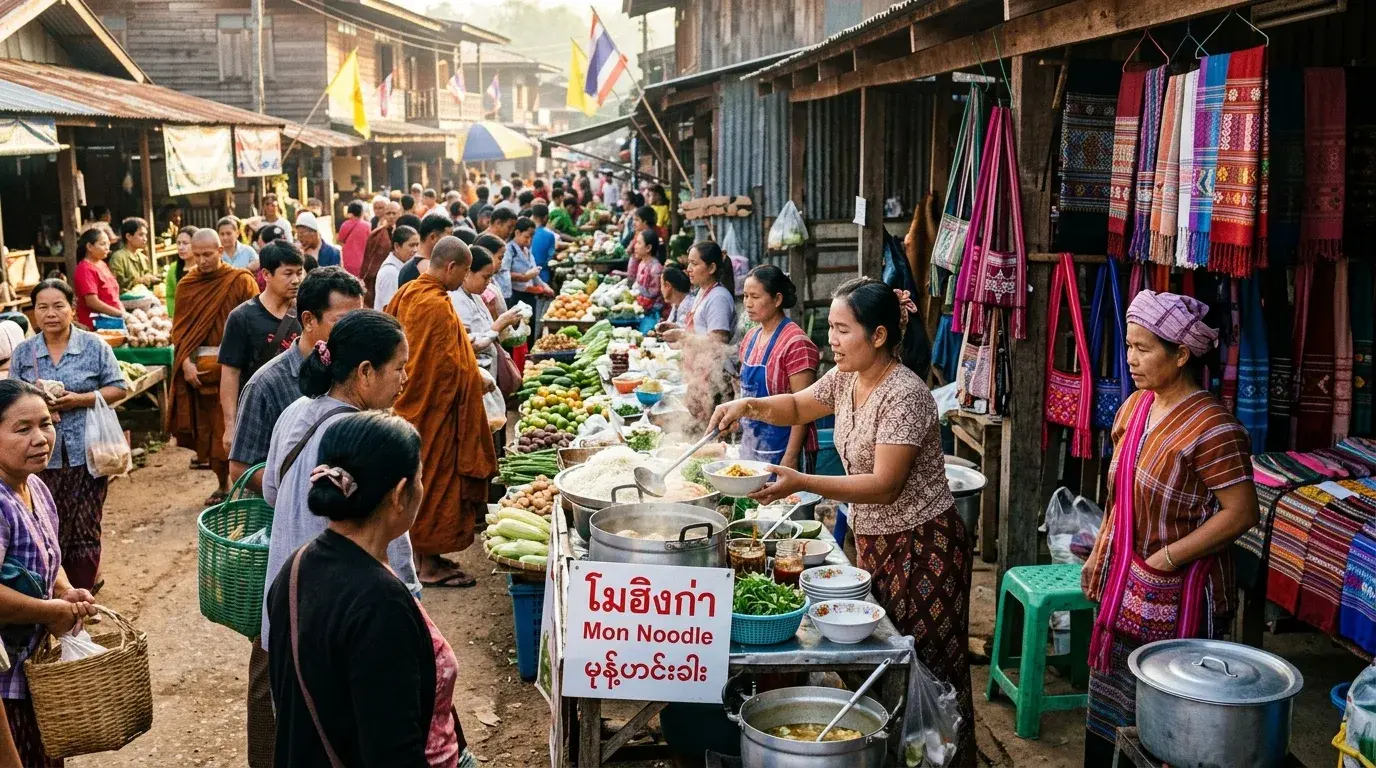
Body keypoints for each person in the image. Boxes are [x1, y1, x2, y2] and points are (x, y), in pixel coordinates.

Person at [708, 277, 971, 766]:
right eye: (829, 326)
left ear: (877, 336)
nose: (831, 339)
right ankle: (887, 755)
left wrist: (802, 481)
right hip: (874, 539)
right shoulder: (848, 377)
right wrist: (746, 404)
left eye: (842, 329)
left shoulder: (905, 395)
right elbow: (797, 405)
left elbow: (884, 484)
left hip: (922, 546)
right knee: (879, 666)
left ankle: (939, 758)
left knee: (926, 668)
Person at [1079, 291, 1259, 766]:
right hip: (1124, 587)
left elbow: (1241, 513)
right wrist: (1104, 554)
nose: (1131, 359)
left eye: (1144, 349)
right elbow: (1120, 497)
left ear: (1181, 354)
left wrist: (1168, 557)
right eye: (1129, 345)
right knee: (1114, 714)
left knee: (1174, 729)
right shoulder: (1136, 407)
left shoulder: (1214, 429)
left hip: (1181, 594)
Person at [253, 310, 418, 765]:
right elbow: (390, 530)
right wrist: (411, 600)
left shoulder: (295, 411)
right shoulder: (364, 437)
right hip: (345, 620)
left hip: (288, 603)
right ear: (365, 373)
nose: (404, 379)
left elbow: (270, 490)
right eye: (399, 367)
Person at [266, 411, 472, 768]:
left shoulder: (296, 567)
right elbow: (393, 752)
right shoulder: (381, 605)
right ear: (398, 495)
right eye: (419, 479)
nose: (422, 490)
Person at [0, 379, 101, 768]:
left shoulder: (37, 488)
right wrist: (51, 612)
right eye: (22, 429)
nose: (41, 438)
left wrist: (65, 590)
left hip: (33, 672)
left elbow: (48, 553)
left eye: (46, 423)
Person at [385, 236, 496, 588]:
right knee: (434, 484)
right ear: (451, 267)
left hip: (409, 404)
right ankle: (428, 565)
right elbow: (449, 368)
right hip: (435, 410)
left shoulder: (409, 292)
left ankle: (423, 556)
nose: (464, 280)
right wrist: (476, 380)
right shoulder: (434, 304)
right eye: (464, 272)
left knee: (422, 481)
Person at [10, 279, 127, 591]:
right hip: (38, 456)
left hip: (87, 452)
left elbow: (119, 386)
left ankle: (83, 593)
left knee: (86, 524)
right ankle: (53, 594)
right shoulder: (24, 352)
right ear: (33, 312)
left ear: (72, 309)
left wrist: (80, 399)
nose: (51, 313)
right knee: (46, 525)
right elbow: (9, 398)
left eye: (58, 305)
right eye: (42, 307)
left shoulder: (94, 346)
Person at [230, 267, 364, 494]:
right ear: (309, 320)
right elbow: (241, 468)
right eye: (342, 322)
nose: (354, 332)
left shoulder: (359, 371)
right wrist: (303, 496)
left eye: (358, 320)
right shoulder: (266, 384)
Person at [169, 230, 260, 504]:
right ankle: (222, 485)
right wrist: (185, 363)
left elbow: (254, 322)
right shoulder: (187, 284)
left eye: (208, 254)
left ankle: (247, 485)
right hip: (201, 370)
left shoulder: (240, 280)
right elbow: (180, 331)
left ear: (221, 250)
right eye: (197, 256)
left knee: (234, 427)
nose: (202, 261)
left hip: (236, 370)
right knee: (209, 430)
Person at [219, 241, 305, 461]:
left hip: (300, 414)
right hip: (257, 414)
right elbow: (230, 373)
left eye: (299, 272)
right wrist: (231, 425)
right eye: (287, 273)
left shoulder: (307, 313)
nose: (296, 280)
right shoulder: (242, 317)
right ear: (266, 274)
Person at [736, 266, 819, 470]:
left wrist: (789, 458)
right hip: (751, 444)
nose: (748, 303)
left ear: (777, 299)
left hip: (784, 450)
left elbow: (804, 409)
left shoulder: (796, 343)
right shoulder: (750, 338)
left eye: (755, 296)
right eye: (745, 296)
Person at [451, 245, 524, 379]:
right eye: (485, 277)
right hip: (475, 373)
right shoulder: (457, 299)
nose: (488, 282)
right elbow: (467, 345)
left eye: (490, 277)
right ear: (467, 273)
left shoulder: (475, 295)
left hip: (488, 369)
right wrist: (500, 324)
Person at [659, 241, 735, 345]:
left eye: (694, 264)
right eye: (689, 263)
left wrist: (681, 335)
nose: (688, 269)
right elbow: (700, 331)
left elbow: (718, 343)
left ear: (711, 268)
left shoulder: (719, 298)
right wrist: (676, 328)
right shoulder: (703, 291)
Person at [71, 227, 123, 330]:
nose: (107, 248)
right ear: (89, 246)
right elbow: (92, 302)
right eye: (103, 244)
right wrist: (119, 314)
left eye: (108, 244)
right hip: (96, 323)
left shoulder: (102, 264)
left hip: (113, 318)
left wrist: (122, 312)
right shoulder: (84, 269)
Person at [361, 201, 402, 306]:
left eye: (394, 213)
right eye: (388, 213)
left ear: (400, 213)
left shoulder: (408, 233)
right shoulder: (376, 235)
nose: (391, 216)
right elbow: (368, 258)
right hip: (379, 277)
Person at [397, 214, 454, 290]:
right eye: (449, 236)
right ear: (432, 237)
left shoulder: (407, 266)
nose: (453, 241)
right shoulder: (429, 269)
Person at [373, 225, 420, 312]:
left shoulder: (403, 268)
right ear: (397, 246)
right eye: (411, 245)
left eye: (417, 245)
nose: (415, 250)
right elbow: (390, 309)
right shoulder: (390, 273)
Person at [626, 229, 665, 334]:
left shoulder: (655, 268)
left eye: (639, 243)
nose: (635, 246)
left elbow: (653, 294)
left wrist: (636, 296)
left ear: (648, 248)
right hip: (642, 309)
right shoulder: (641, 263)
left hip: (653, 314)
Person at [109, 217, 157, 292]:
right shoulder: (118, 257)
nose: (145, 239)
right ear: (129, 236)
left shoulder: (142, 256)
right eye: (141, 235)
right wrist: (141, 280)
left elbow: (147, 274)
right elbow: (117, 283)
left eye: (145, 235)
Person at [163, 227, 196, 317]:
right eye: (178, 243)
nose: (181, 247)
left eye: (185, 243)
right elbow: (170, 296)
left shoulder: (204, 268)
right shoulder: (173, 269)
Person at [337, 200, 371, 276]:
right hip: (362, 262)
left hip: (346, 261)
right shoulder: (367, 226)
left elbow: (340, 241)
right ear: (362, 212)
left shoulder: (344, 225)